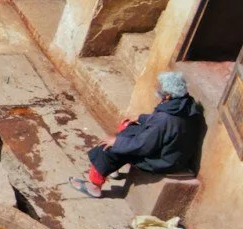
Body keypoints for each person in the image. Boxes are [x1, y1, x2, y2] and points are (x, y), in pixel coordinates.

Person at [81, 70, 206, 198]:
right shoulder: (186, 105)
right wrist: (141, 118)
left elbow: (143, 146)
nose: (156, 88)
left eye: (159, 86)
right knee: (127, 127)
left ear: (168, 95)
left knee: (107, 148)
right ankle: (113, 169)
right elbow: (167, 127)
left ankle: (94, 186)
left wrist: (116, 142)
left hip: (162, 161)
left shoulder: (164, 119)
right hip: (173, 155)